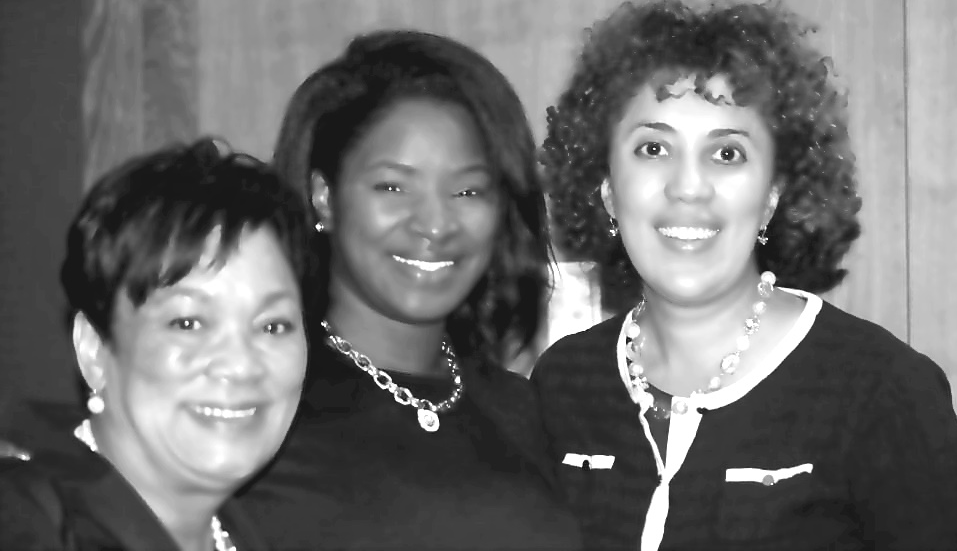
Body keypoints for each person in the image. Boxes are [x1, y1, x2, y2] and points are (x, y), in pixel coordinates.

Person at [532, 0, 957, 550]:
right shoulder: (562, 384)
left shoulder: (881, 391)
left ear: (772, 197)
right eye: (654, 148)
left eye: (727, 154)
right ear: (608, 190)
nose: (689, 187)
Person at [237, 29, 582, 550]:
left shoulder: (523, 410)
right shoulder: (255, 403)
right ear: (324, 197)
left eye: (467, 190)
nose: (435, 224)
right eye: (393, 187)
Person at [0, 139, 313, 551]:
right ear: (94, 349)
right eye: (188, 323)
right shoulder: (25, 524)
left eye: (273, 326)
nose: (240, 365)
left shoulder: (249, 530)